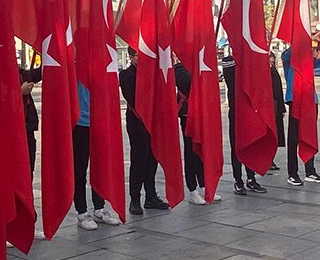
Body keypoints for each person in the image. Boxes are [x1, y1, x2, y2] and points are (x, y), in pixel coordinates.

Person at [120, 48, 169, 213]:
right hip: (137, 122)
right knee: (139, 160)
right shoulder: (126, 75)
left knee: (152, 158)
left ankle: (151, 196)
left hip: (153, 121)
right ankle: (135, 199)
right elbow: (135, 96)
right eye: (138, 57)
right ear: (131, 57)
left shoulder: (151, 73)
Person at [72, 82, 123, 229]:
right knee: (79, 171)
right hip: (80, 124)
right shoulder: (74, 66)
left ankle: (99, 208)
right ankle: (81, 212)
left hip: (99, 121)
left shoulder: (97, 66)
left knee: (100, 168)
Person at [174, 62, 220, 205]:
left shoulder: (198, 63)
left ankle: (204, 185)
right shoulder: (180, 68)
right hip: (188, 116)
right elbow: (190, 85)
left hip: (201, 115)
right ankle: (192, 190)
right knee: (190, 153)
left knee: (201, 152)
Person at [221, 54, 267, 195]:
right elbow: (229, 74)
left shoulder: (248, 63)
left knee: (250, 144)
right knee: (237, 147)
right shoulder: (230, 61)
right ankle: (238, 180)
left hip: (249, 112)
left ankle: (251, 178)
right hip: (236, 113)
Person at [283, 45, 320, 186]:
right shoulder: (289, 56)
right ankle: (292, 173)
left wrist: (319, 52)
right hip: (295, 97)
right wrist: (301, 43)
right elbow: (286, 55)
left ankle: (310, 171)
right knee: (294, 137)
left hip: (311, 98)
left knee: (309, 134)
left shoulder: (309, 58)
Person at [20, 66, 46, 239]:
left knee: (27, 176)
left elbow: (37, 74)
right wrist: (18, 92)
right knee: (12, 180)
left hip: (27, 131)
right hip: (10, 131)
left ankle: (29, 222)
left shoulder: (20, 72)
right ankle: (11, 225)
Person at [270, 51, 286, 171]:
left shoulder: (274, 71)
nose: (271, 63)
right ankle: (268, 159)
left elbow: (279, 90)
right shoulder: (265, 72)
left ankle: (271, 159)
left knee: (276, 133)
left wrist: (282, 108)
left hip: (276, 104)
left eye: (272, 61)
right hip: (269, 105)